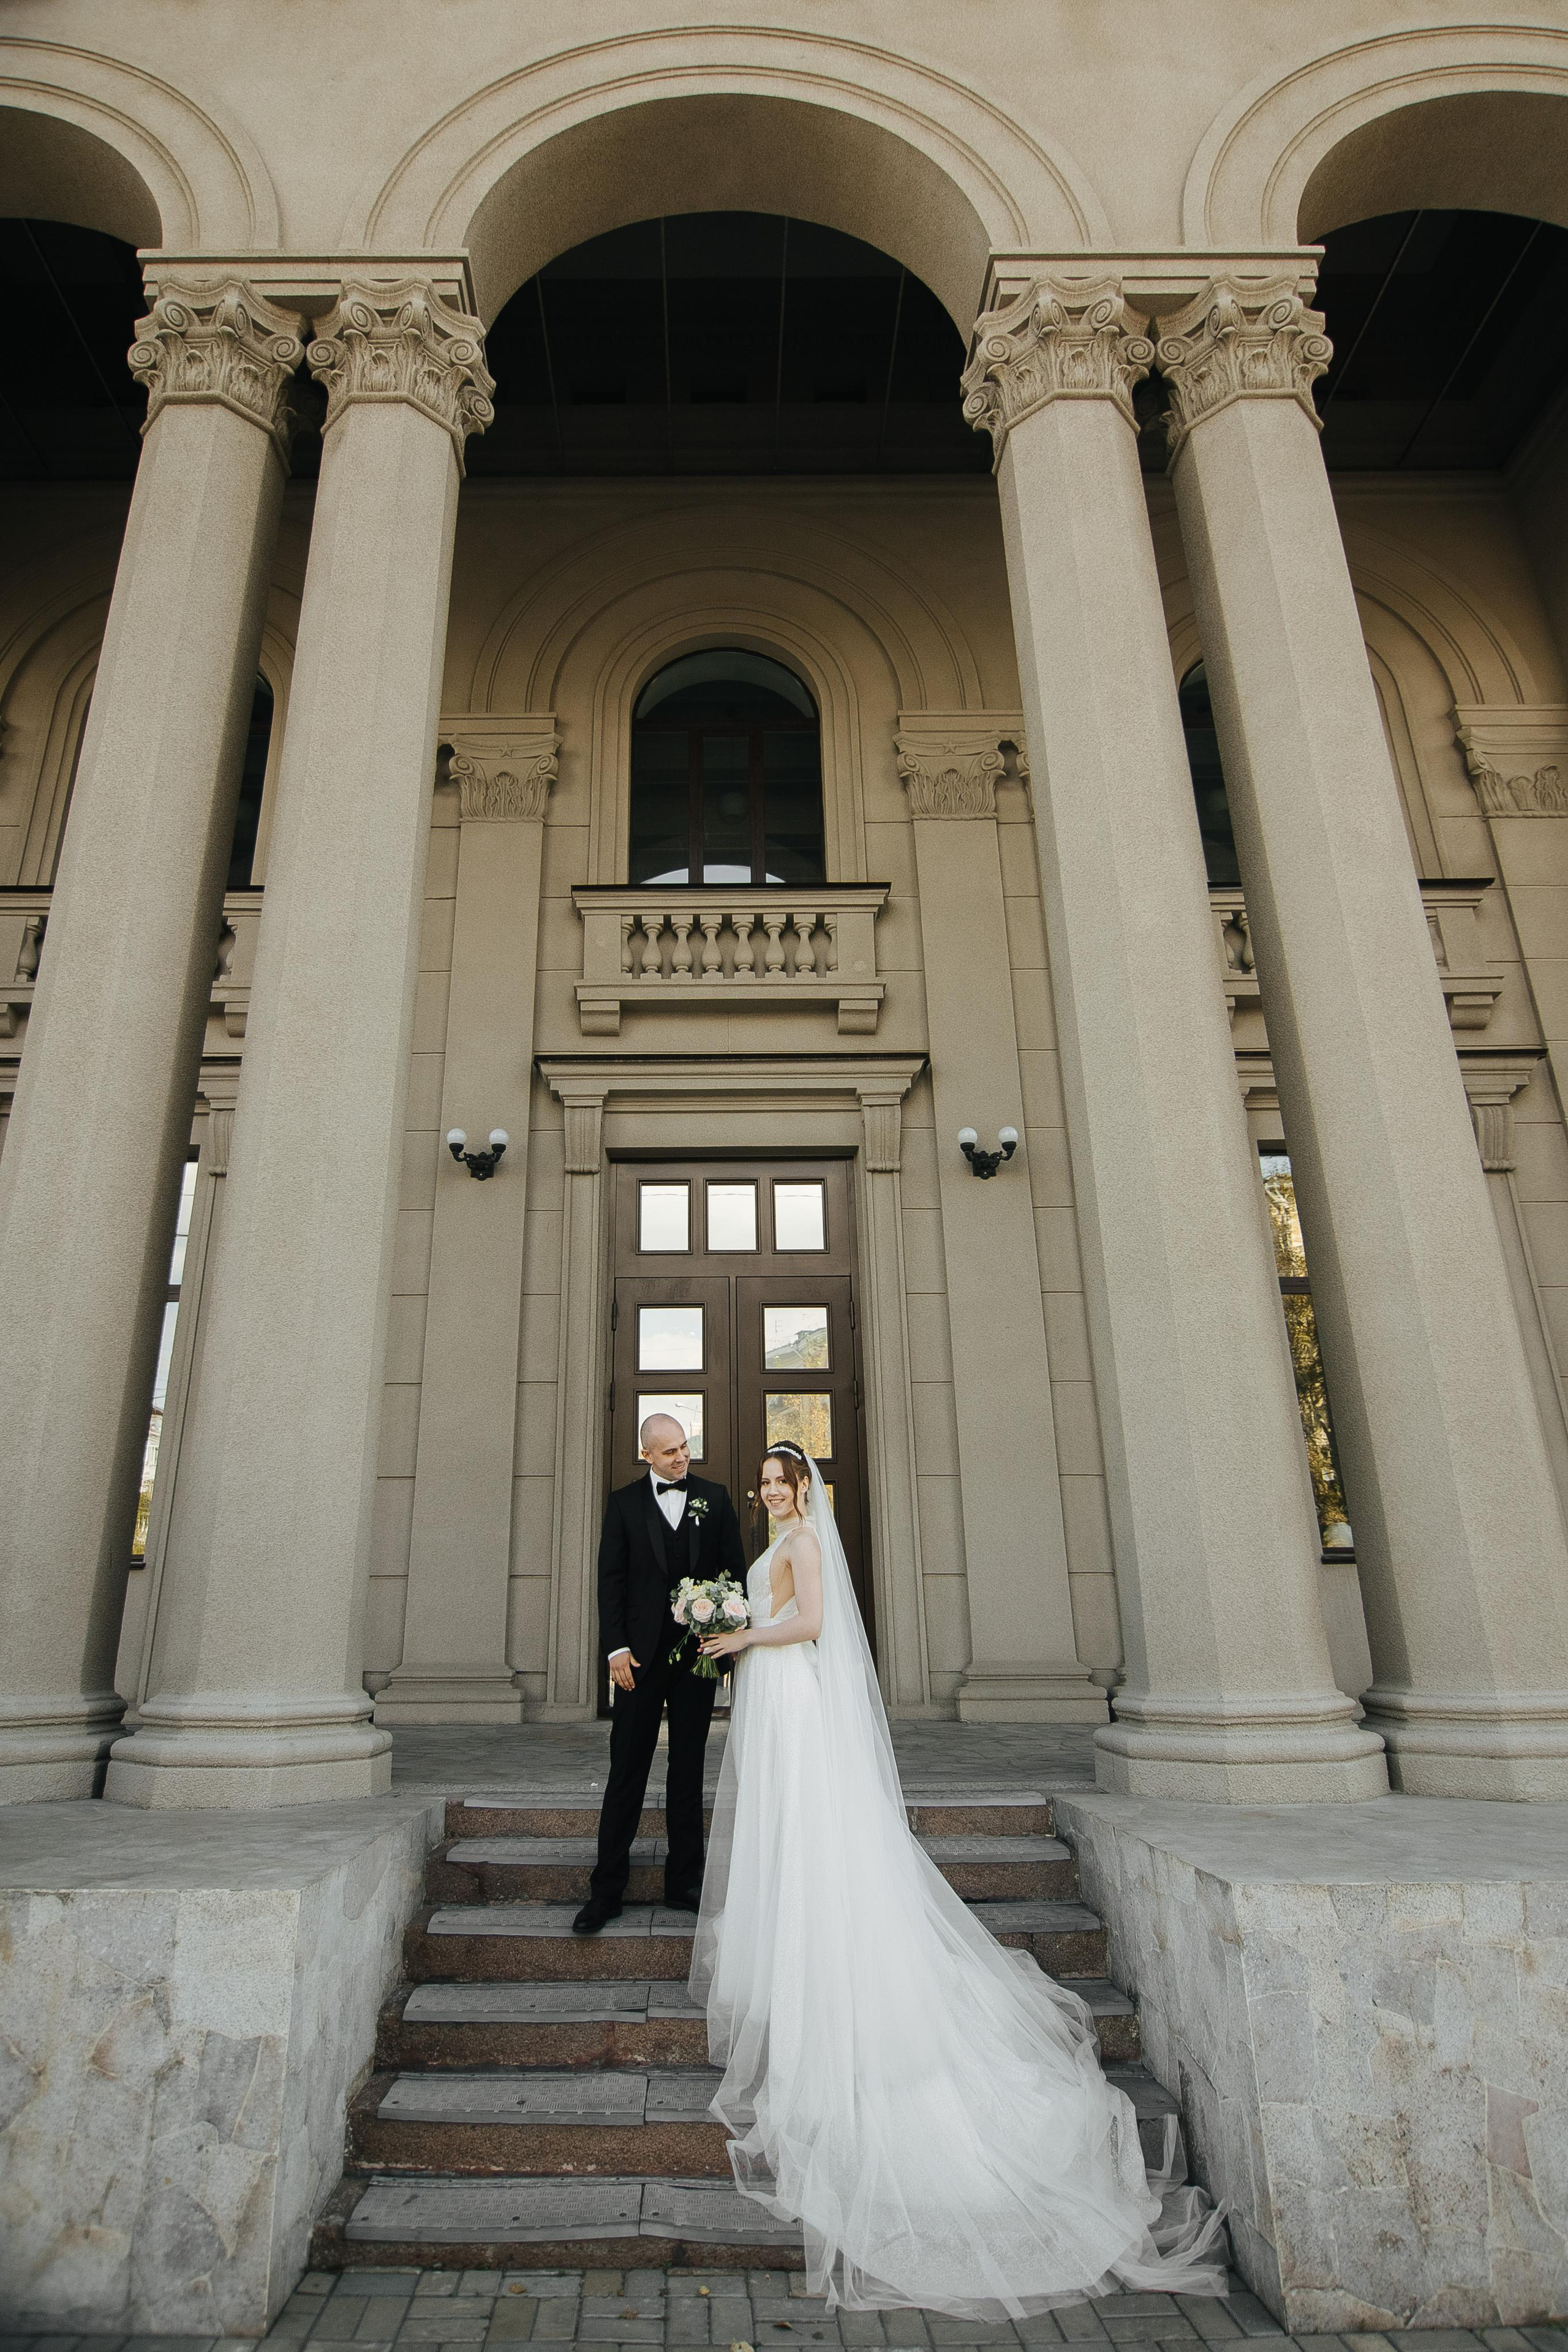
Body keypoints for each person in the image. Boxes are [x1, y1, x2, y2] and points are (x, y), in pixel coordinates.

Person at [689, 1440, 1229, 2321]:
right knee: (781, 1834)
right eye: (765, 1486)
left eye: (781, 1484)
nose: (770, 1494)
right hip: (773, 1696)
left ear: (804, 1490)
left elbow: (815, 1624)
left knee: (809, 1834)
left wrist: (745, 1631)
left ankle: (832, 1976)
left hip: (790, 1689)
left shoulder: (807, 1546)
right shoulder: (777, 1543)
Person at [573, 1412, 747, 1934]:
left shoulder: (714, 1498)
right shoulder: (624, 1503)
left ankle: (684, 1882)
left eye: (685, 1447)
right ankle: (606, 1889)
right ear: (646, 1453)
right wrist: (616, 1650)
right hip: (639, 1663)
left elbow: (733, 1575)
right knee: (627, 1770)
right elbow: (612, 1581)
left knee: (687, 1769)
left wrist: (727, 1642)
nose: (681, 1457)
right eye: (669, 1450)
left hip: (697, 1658)